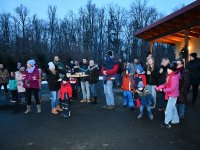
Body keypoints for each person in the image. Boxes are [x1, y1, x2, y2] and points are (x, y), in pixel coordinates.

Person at [155, 61, 180, 129]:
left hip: (173, 95)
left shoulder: (174, 77)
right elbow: (166, 84)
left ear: (172, 70)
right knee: (173, 108)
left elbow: (172, 88)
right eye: (168, 69)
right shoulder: (170, 75)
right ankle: (175, 120)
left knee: (168, 109)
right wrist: (161, 86)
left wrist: (163, 90)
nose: (167, 70)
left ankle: (167, 123)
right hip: (171, 94)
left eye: (169, 69)